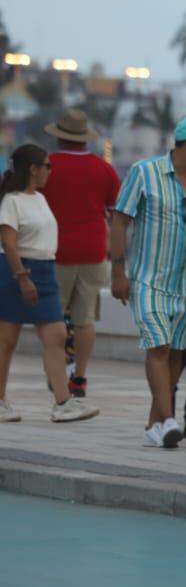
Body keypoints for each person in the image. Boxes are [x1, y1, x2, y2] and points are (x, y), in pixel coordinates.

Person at [111, 116, 186, 449]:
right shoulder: (143, 172)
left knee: (176, 354)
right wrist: (118, 272)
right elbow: (119, 221)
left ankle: (155, 424)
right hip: (149, 278)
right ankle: (170, 418)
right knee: (158, 347)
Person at [0, 145, 99, 423]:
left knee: (56, 336)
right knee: (6, 340)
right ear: (33, 169)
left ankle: (62, 402)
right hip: (18, 272)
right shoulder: (12, 200)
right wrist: (22, 277)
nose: (50, 171)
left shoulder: (40, 199)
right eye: (47, 166)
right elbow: (8, 242)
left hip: (45, 271)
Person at [41, 110, 120, 400]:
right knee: (85, 319)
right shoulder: (104, 170)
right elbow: (113, 214)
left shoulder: (46, 167)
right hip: (94, 250)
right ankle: (81, 376)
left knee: (54, 317)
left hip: (54, 250)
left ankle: (58, 371)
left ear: (59, 135)